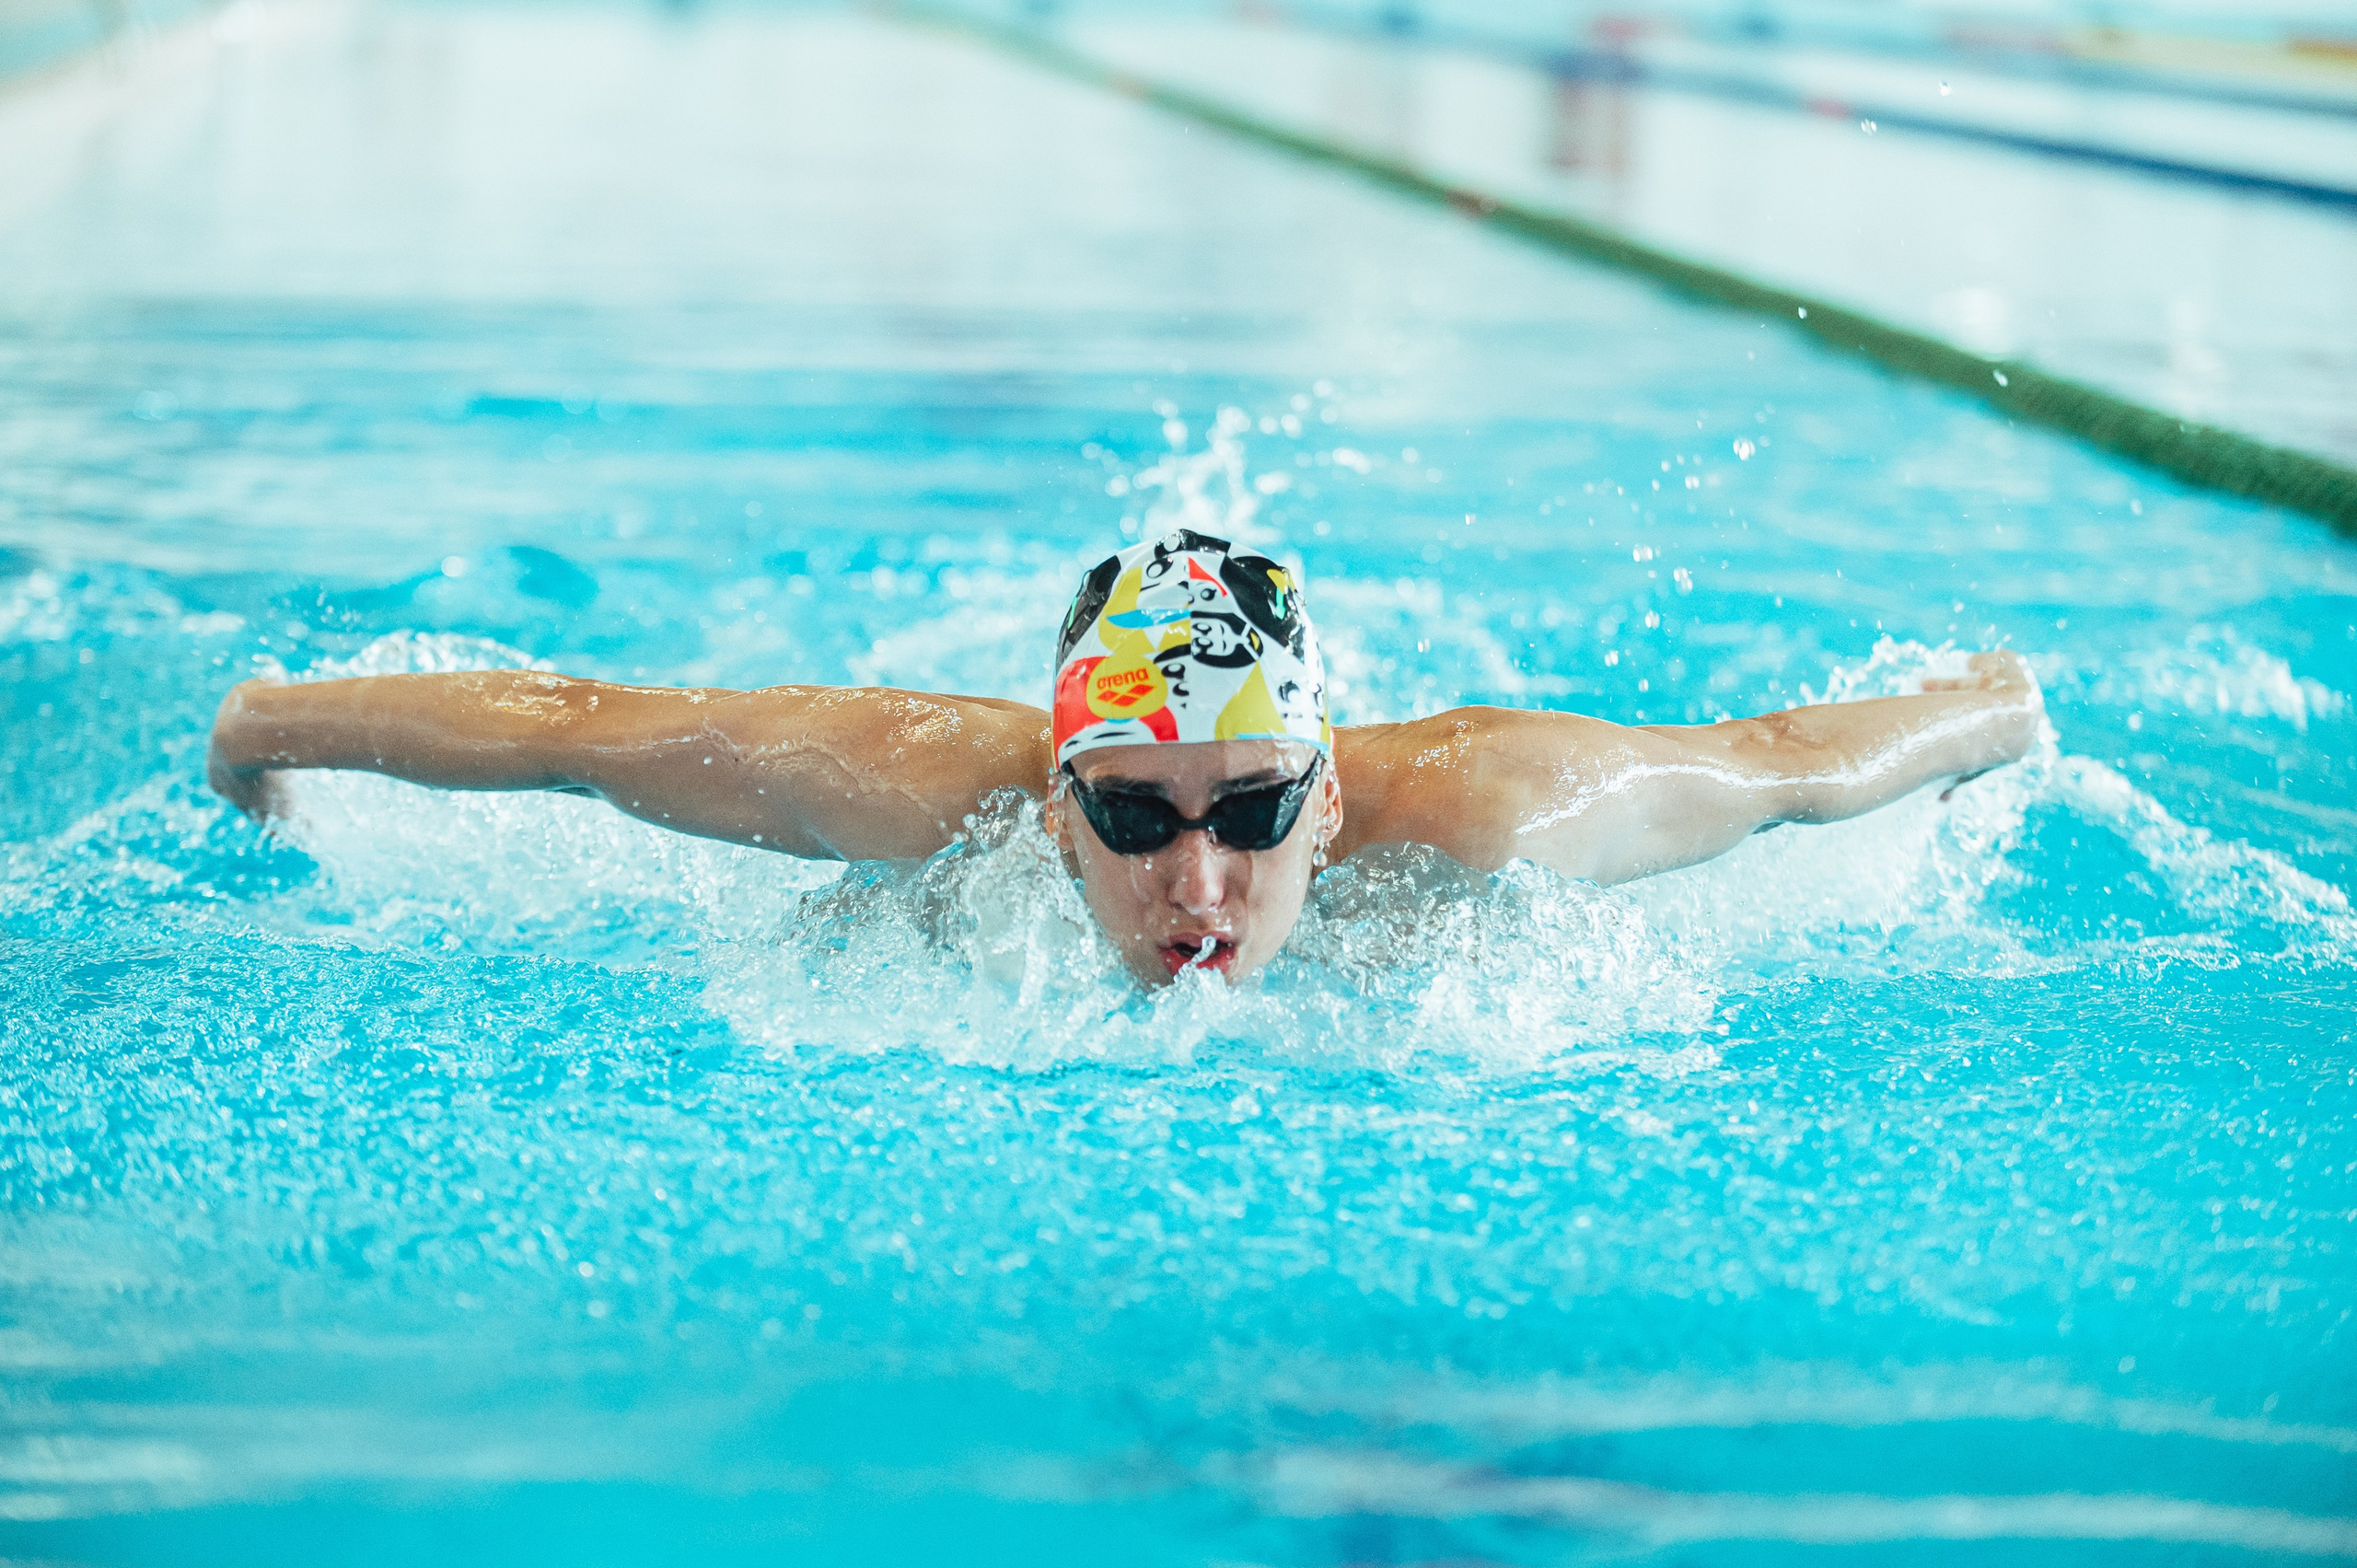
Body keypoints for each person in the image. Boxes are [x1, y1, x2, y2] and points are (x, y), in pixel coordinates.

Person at [208, 529, 2044, 985]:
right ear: (1048, 800)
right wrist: (265, 726)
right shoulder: (908, 787)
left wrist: (1993, 706)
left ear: (1324, 797)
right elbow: (580, 736)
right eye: (1131, 822)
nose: (1195, 886)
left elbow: (1787, 759)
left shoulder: (1493, 810)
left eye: (1252, 816)